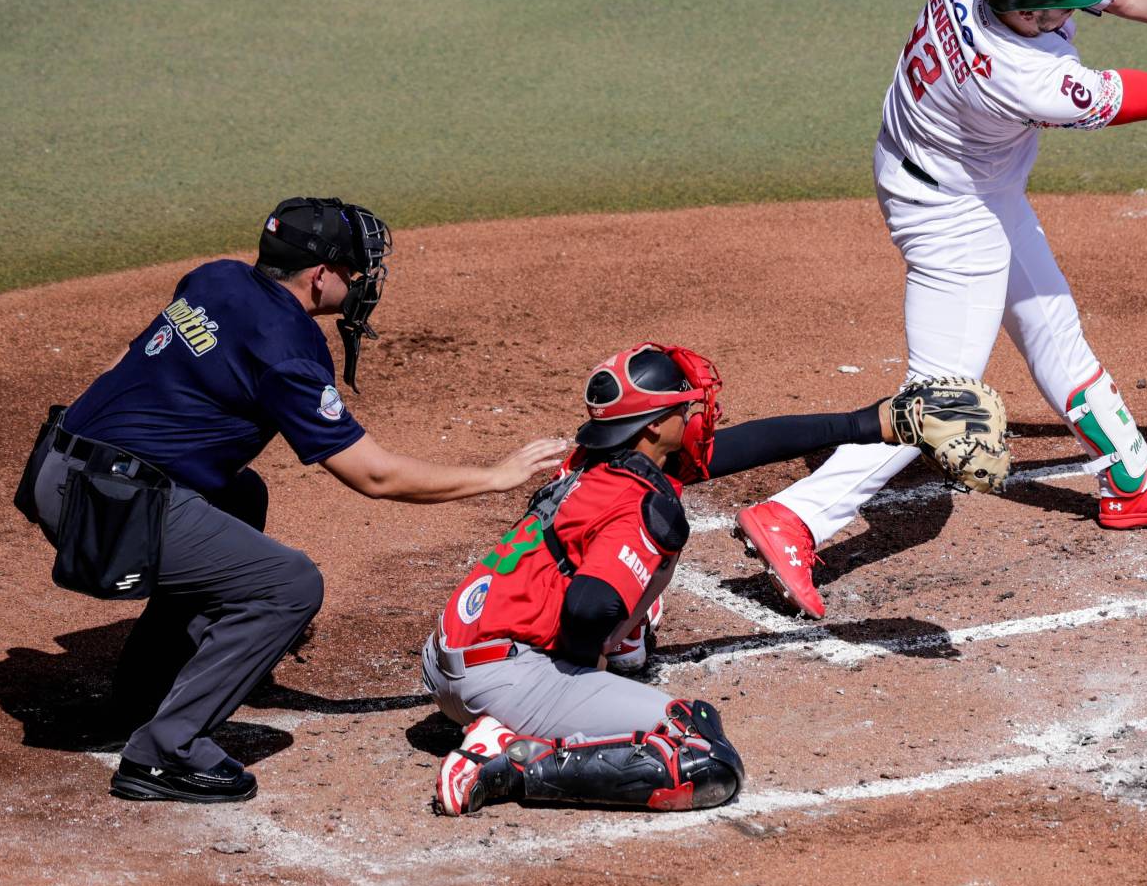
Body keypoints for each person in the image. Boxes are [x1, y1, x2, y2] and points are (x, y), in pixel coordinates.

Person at [734, 0, 1147, 618]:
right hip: (949, 212)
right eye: (1063, 6)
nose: (1078, 10)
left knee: (1050, 321)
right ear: (1030, 12)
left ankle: (1130, 480)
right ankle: (796, 516)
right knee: (943, 403)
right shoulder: (1024, 76)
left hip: (955, 171)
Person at [11, 197, 567, 804]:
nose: (361, 286)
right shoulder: (288, 349)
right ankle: (162, 753)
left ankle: (142, 696)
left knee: (239, 495)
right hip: (105, 505)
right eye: (355, 273)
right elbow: (374, 476)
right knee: (289, 586)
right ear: (320, 276)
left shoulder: (215, 278)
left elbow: (128, 356)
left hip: (56, 464)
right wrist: (495, 476)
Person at [424, 346, 1006, 816]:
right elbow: (590, 605)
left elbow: (748, 445)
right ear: (655, 426)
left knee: (628, 589)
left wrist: (872, 423)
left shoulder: (594, 458)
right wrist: (579, 673)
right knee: (700, 755)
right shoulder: (641, 499)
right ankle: (504, 761)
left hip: (459, 651)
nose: (702, 415)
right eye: (688, 407)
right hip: (504, 680)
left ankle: (582, 677)